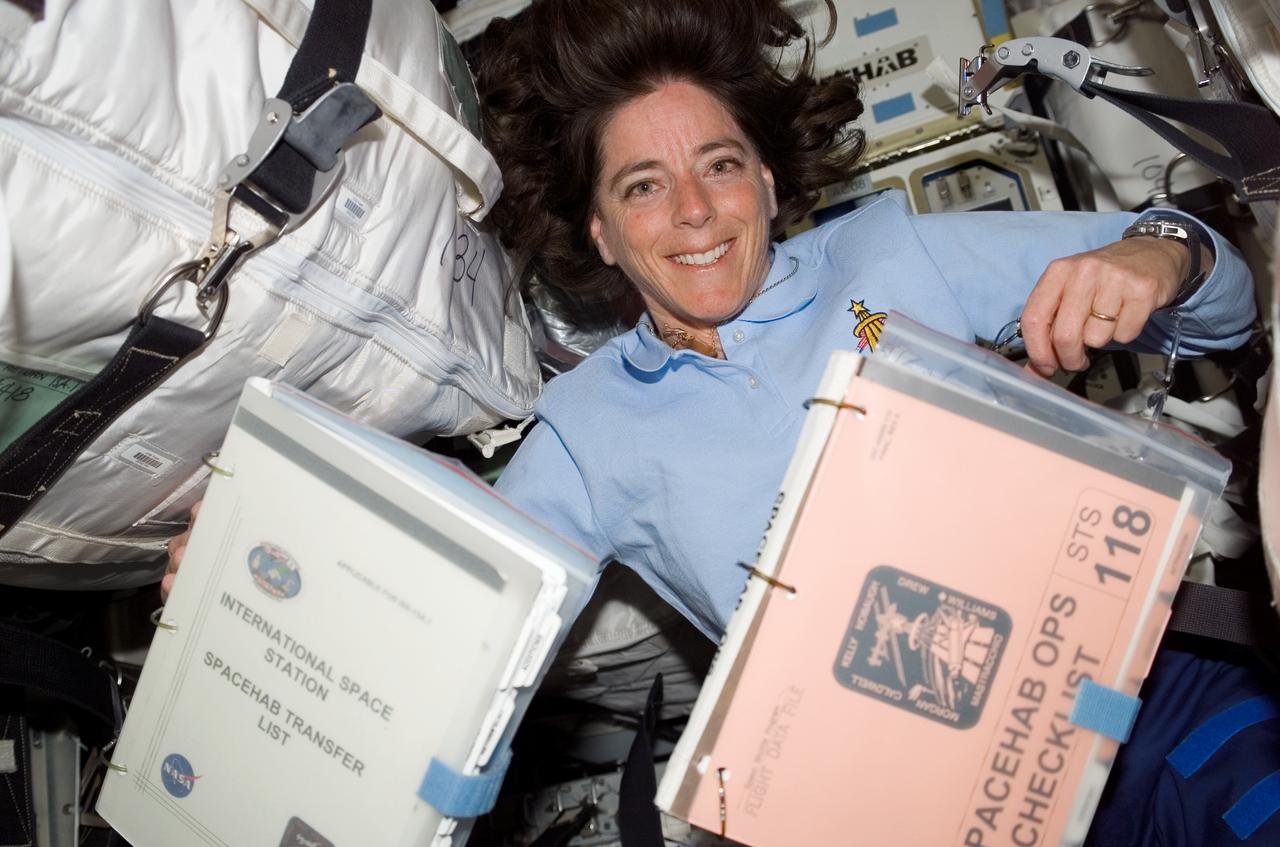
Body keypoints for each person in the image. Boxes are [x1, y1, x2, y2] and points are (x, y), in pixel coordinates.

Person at [474, 0, 1256, 640]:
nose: (695, 211)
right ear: (601, 234)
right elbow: (475, 615)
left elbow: (1224, 315)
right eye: (644, 186)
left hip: (1119, 679)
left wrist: (1166, 253)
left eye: (720, 165)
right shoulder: (587, 430)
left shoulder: (889, 258)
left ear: (769, 185)